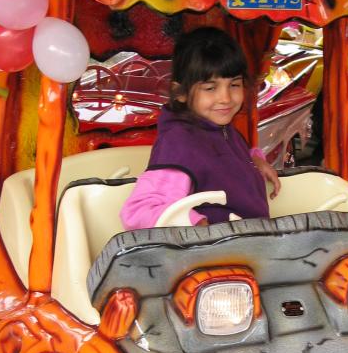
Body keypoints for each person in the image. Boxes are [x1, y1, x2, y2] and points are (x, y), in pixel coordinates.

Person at [120, 26, 280, 229]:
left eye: (234, 85)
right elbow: (138, 211)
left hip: (247, 242)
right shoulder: (179, 143)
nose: (225, 98)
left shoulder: (219, 128)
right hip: (216, 254)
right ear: (181, 93)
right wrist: (196, 224)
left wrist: (254, 159)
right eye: (210, 88)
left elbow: (227, 160)